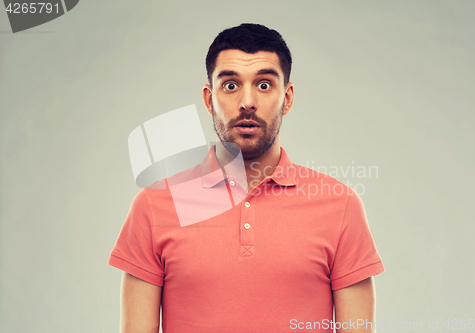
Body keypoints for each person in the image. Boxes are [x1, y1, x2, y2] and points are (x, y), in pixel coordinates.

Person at [108, 23, 384, 333]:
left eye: (264, 85)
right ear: (209, 99)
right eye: (230, 85)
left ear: (287, 98)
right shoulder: (154, 205)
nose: (247, 102)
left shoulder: (340, 206)